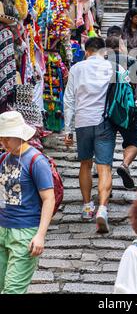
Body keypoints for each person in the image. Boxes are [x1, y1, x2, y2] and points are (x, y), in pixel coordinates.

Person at [64, 37, 116, 234]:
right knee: (104, 167)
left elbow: (69, 99)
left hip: (82, 121)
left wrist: (68, 130)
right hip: (104, 121)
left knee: (85, 164)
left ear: (86, 51)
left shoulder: (77, 69)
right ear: (103, 51)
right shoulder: (112, 67)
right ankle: (102, 207)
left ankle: (87, 206)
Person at [0, 111, 55, 294]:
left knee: (13, 290)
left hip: (24, 233)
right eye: (2, 138)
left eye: (7, 138)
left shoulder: (36, 161)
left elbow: (49, 199)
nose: (4, 142)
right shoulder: (3, 159)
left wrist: (40, 235)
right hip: (2, 229)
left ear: (19, 135)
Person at [105, 32, 137, 189]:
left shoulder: (102, 62)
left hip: (106, 110)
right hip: (127, 110)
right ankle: (125, 165)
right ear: (120, 46)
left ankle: (106, 184)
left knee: (106, 145)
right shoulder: (132, 61)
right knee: (133, 141)